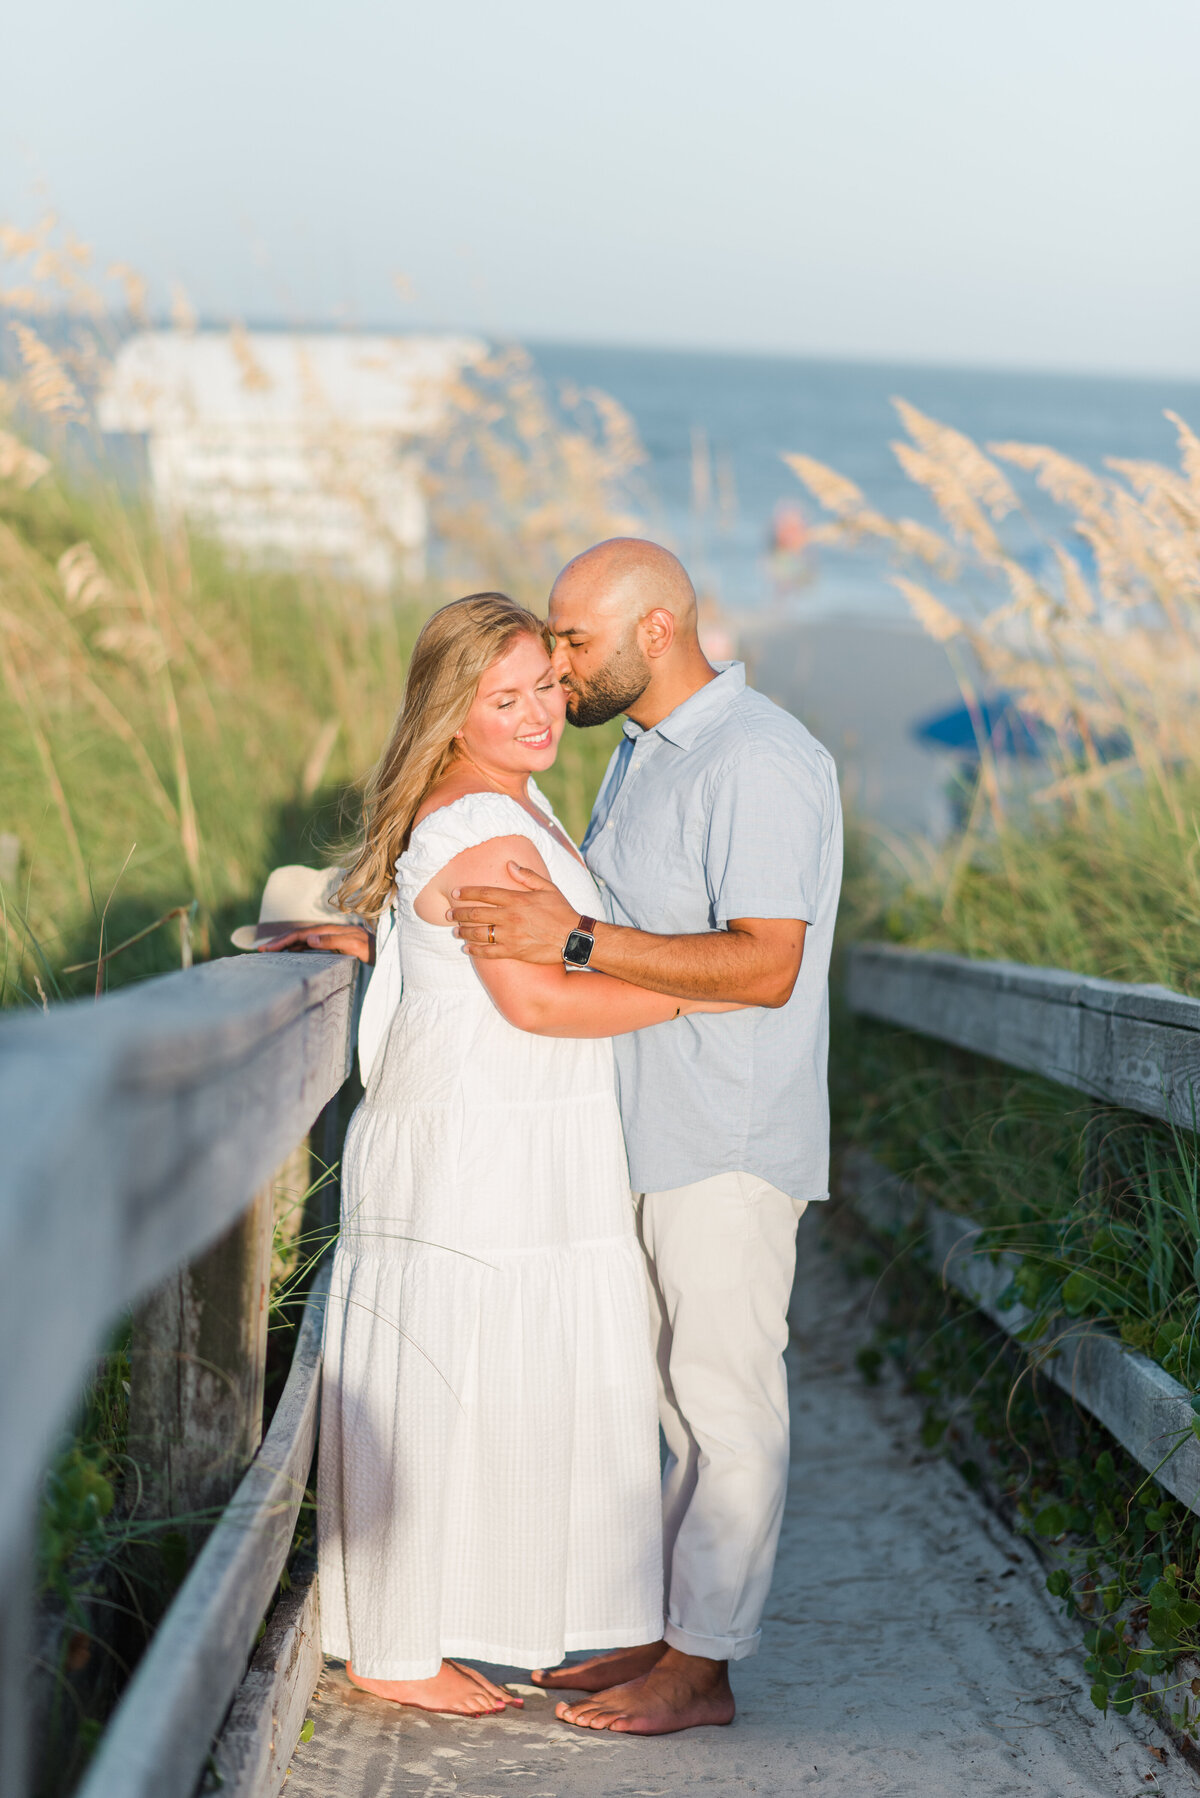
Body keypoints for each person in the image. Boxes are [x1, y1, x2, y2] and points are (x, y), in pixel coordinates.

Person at [265, 592, 736, 1719]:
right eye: (503, 697)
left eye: (545, 688)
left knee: (512, 1375)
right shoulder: (476, 825)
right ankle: (391, 1641)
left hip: (528, 1128)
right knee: (441, 1373)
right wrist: (705, 994)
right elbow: (536, 999)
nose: (536, 714)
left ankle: (486, 1616)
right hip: (480, 1133)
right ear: (452, 709)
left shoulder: (504, 803)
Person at [448, 538, 843, 1735]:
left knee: (725, 1405)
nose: (559, 664)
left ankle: (705, 1666)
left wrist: (569, 938)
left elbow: (765, 963)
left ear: (656, 631)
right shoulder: (642, 756)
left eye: (574, 640)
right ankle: (663, 1631)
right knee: (670, 1405)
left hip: (724, 1130)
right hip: (644, 1124)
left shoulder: (760, 758)